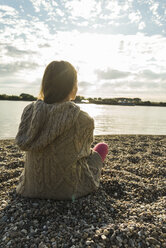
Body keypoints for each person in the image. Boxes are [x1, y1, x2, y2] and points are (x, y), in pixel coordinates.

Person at [15, 61, 108, 200]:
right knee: (101, 148)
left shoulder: (30, 112)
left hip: (29, 189)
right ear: (72, 86)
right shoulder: (83, 119)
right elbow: (84, 153)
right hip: (70, 190)